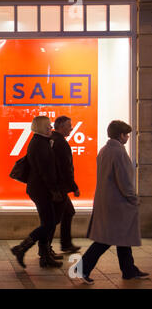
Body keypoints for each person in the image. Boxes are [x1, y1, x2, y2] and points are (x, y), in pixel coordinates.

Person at [77, 120, 149, 284]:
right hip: (119, 203)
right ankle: (82, 267)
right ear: (120, 135)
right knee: (107, 239)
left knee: (122, 237)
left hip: (107, 200)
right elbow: (124, 180)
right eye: (127, 134)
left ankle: (129, 270)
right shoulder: (119, 152)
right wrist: (132, 198)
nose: (128, 137)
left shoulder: (104, 150)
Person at [11, 116, 63, 268]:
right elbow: (45, 171)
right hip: (42, 190)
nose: (51, 128)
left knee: (48, 222)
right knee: (49, 223)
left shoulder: (41, 142)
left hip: (40, 188)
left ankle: (44, 256)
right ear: (41, 127)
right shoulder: (39, 144)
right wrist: (54, 189)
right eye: (48, 126)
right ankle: (21, 248)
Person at [50, 116, 81, 254]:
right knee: (53, 220)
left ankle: (65, 244)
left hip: (56, 187)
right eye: (69, 125)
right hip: (59, 188)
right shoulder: (60, 143)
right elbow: (65, 168)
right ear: (61, 127)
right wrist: (74, 187)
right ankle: (46, 248)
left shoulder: (53, 140)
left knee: (67, 213)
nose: (72, 128)